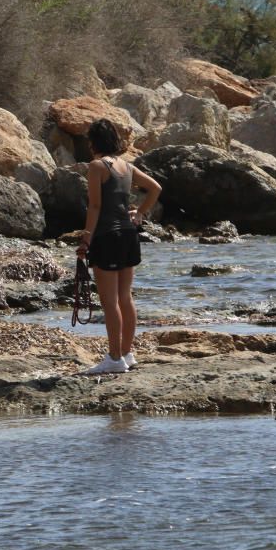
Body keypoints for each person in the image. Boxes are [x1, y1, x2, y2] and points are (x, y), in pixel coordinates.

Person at [76, 118, 161, 375]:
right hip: (128, 235)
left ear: (93, 143)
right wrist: (140, 214)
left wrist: (85, 239)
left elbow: (95, 206)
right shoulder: (127, 166)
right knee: (125, 297)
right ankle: (126, 353)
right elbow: (155, 188)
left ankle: (114, 359)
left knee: (110, 301)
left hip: (107, 236)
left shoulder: (96, 166)